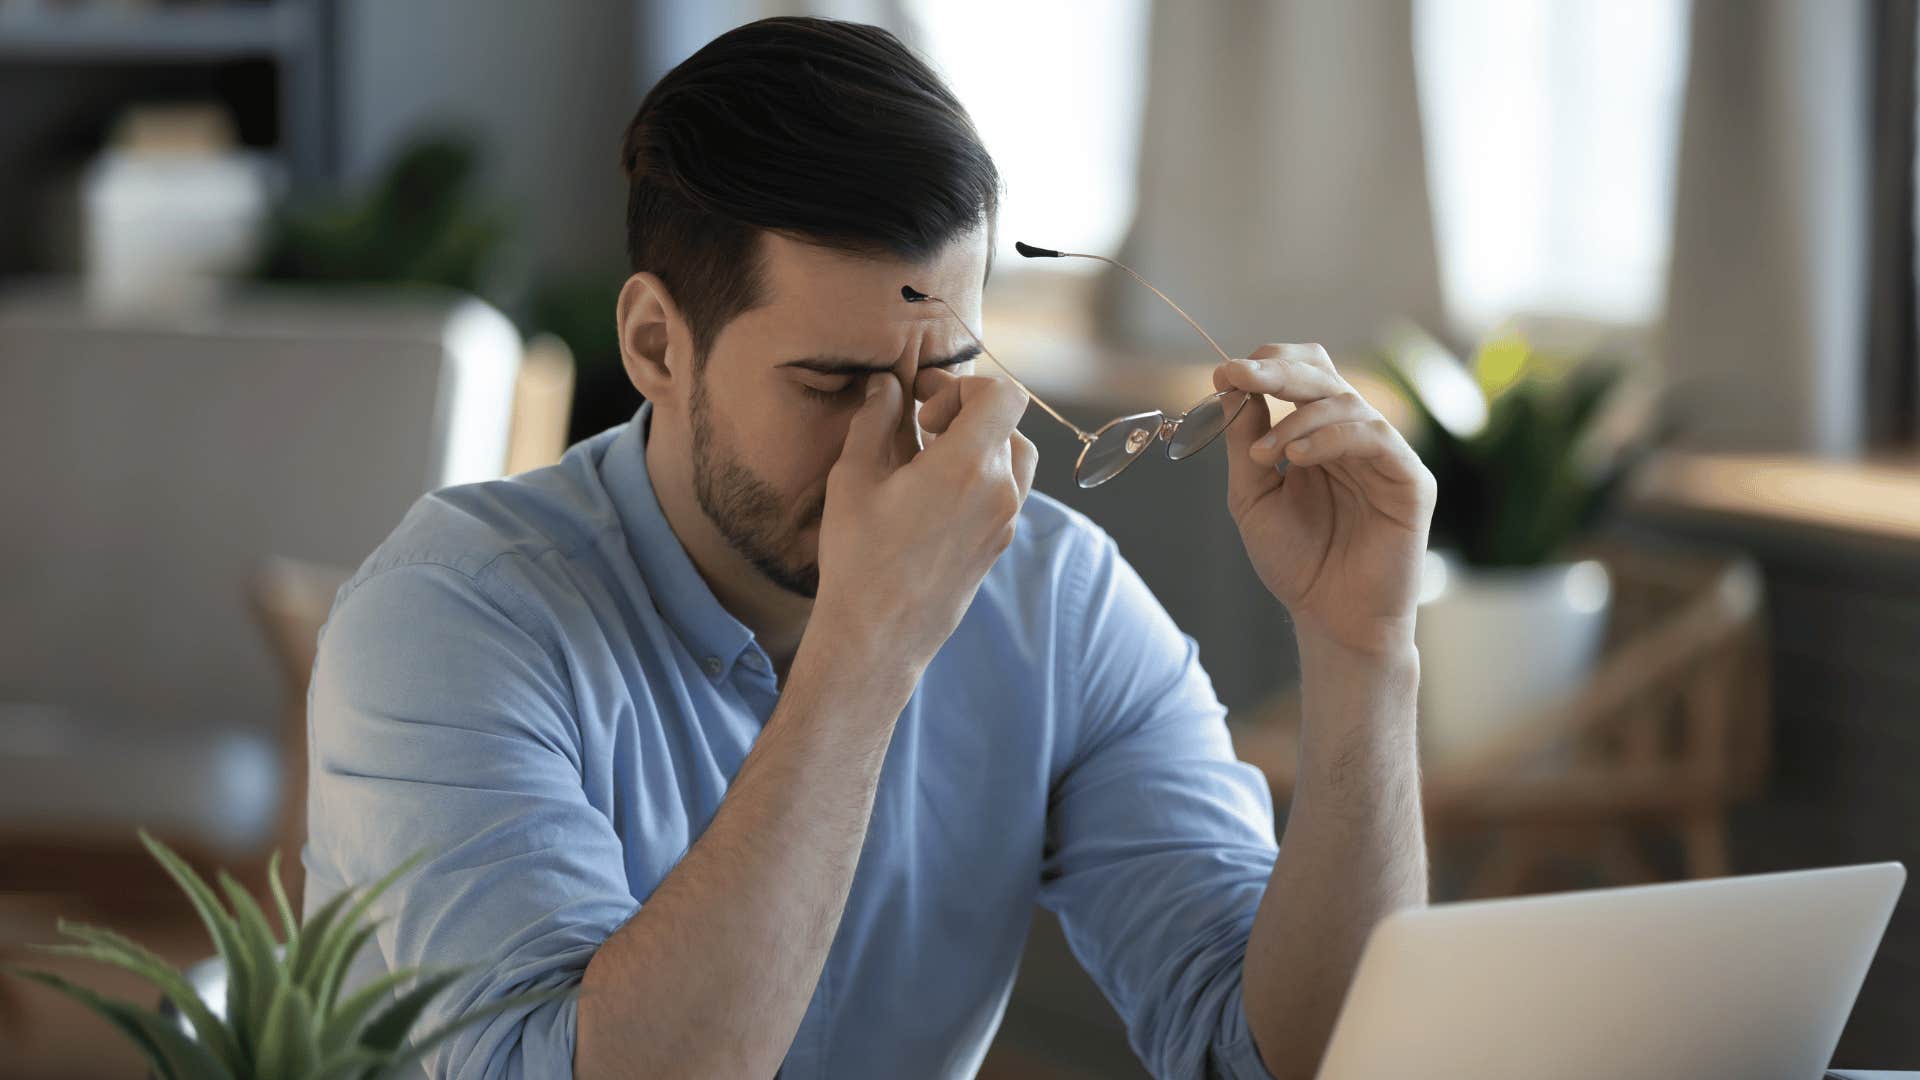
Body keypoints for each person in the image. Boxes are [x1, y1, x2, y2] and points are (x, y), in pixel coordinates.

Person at [303, 16, 1434, 1080]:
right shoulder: (449, 617)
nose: (894, 446)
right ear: (657, 344)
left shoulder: (1058, 602)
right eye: (833, 384)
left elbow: (1286, 1053)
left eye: (939, 375)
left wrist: (1364, 652)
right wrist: (869, 645)